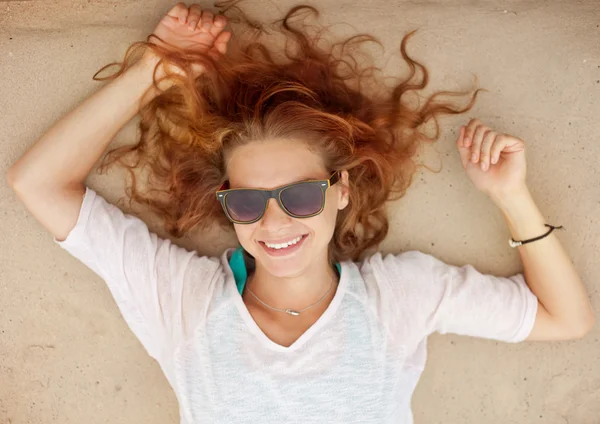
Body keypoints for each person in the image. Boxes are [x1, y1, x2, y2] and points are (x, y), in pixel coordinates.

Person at [7, 2, 594, 423]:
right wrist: (152, 73)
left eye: (301, 196)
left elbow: (564, 320)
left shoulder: (400, 295)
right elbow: (38, 184)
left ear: (340, 189)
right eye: (246, 202)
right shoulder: (180, 298)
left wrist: (511, 196)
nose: (275, 224)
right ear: (227, 206)